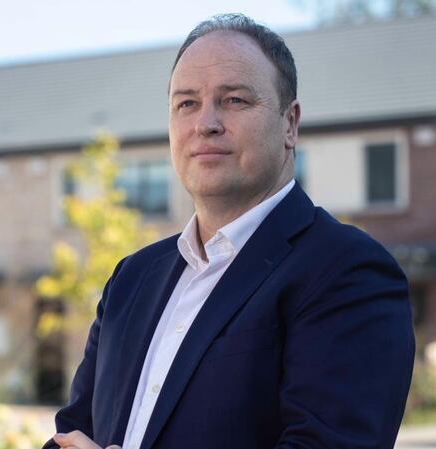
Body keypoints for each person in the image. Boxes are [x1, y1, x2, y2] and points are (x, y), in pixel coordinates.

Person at [45, 13, 415, 449]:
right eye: (187, 104)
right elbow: (71, 436)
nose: (205, 123)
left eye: (235, 100)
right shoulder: (132, 278)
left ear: (290, 124)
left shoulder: (347, 271)